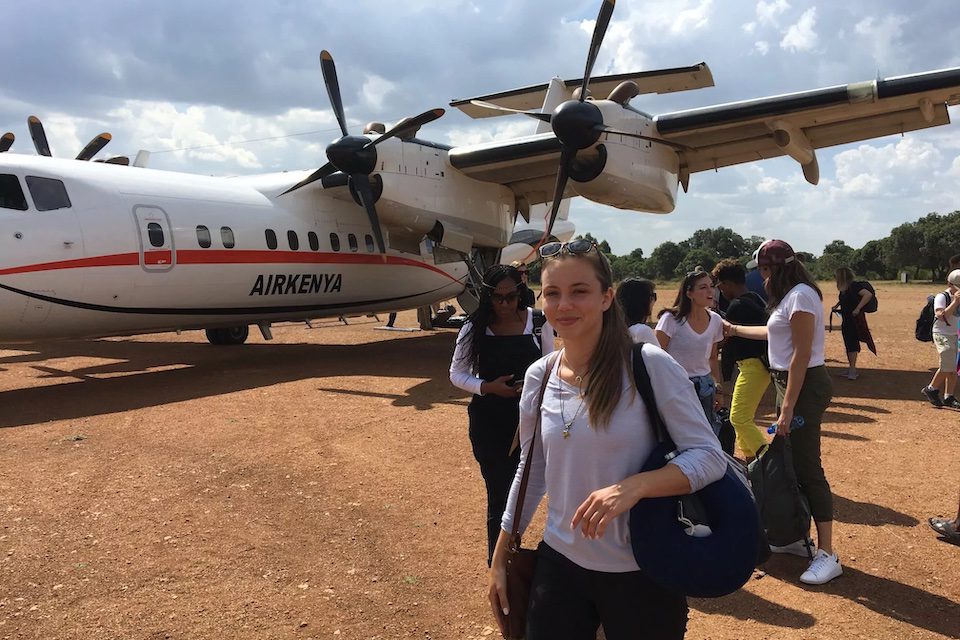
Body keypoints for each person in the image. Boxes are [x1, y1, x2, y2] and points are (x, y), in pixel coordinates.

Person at [488, 239, 725, 639]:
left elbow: (709, 456)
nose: (564, 305)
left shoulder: (648, 366)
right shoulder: (539, 376)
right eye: (553, 294)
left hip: (643, 570)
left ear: (606, 297)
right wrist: (499, 558)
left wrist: (634, 487)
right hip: (559, 564)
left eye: (579, 291)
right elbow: (531, 469)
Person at [724, 239, 841, 585]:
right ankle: (794, 537)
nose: (760, 277)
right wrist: (733, 329)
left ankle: (828, 553)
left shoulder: (802, 296)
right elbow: (775, 336)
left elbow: (801, 354)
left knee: (807, 466)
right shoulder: (791, 297)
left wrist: (787, 408)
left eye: (762, 270)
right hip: (787, 384)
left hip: (802, 386)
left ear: (773, 269)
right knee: (790, 462)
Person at [450, 265, 555, 565]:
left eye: (511, 297)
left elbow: (550, 367)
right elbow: (457, 373)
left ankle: (521, 553)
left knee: (527, 491)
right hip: (490, 421)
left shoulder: (538, 323)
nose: (506, 304)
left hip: (530, 420)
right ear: (487, 297)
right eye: (499, 298)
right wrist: (488, 387)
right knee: (499, 492)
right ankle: (498, 563)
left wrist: (532, 389)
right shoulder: (474, 327)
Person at [655, 268, 725, 432]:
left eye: (711, 286)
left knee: (706, 433)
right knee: (677, 433)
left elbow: (713, 358)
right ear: (689, 293)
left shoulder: (715, 320)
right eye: (703, 287)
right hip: (676, 386)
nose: (710, 291)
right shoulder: (671, 319)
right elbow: (656, 357)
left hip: (705, 387)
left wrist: (718, 388)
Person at [712, 259, 769, 460]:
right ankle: (751, 462)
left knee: (739, 418)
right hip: (757, 366)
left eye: (720, 284)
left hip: (753, 367)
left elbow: (723, 342)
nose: (719, 289)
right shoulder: (754, 298)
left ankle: (769, 462)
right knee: (744, 417)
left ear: (728, 283)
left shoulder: (737, 306)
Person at [921, 269, 960, 409]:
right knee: (947, 361)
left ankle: (949, 396)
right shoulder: (942, 296)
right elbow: (941, 316)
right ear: (951, 285)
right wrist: (955, 302)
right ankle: (931, 389)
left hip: (956, 333)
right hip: (942, 333)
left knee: (954, 367)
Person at [833, 267, 875, 380]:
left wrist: (857, 308)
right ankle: (851, 368)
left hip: (854, 319)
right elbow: (845, 299)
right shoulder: (844, 288)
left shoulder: (854, 286)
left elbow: (868, 295)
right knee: (848, 343)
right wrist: (837, 306)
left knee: (852, 344)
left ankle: (852, 370)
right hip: (846, 319)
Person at [615, 277, 658, 344]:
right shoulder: (643, 331)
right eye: (653, 296)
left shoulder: (612, 331)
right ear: (643, 301)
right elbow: (658, 354)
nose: (654, 300)